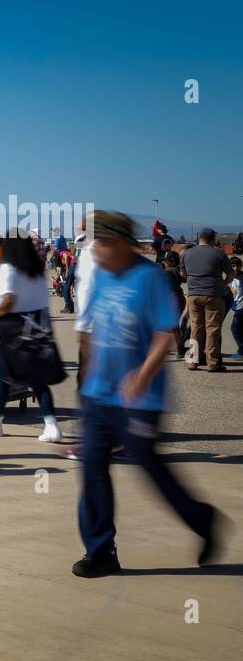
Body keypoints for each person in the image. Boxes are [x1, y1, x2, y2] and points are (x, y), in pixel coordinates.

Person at [72, 211, 223, 577]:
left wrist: (142, 375)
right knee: (92, 469)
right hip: (98, 395)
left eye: (102, 242)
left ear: (121, 242)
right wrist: (86, 379)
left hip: (140, 400)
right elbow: (89, 329)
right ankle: (101, 551)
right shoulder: (103, 275)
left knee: (149, 467)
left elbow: (165, 335)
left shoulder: (150, 277)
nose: (96, 249)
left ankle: (202, 519)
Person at [0, 230, 64, 442]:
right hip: (38, 325)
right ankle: (51, 425)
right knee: (37, 378)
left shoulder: (8, 268)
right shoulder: (36, 269)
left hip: (12, 329)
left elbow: (8, 299)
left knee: (2, 376)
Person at [180, 227, 234, 371]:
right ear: (212, 239)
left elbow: (183, 274)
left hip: (193, 295)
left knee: (195, 328)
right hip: (213, 294)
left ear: (199, 238)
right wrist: (222, 284)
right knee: (213, 329)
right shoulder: (219, 253)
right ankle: (212, 363)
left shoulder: (187, 253)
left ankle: (192, 361)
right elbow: (230, 274)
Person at [227, 257, 243, 359]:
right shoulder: (232, 278)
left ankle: (242, 351)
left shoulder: (241, 278)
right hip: (237, 307)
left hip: (241, 308)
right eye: (233, 266)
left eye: (238, 265)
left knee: (235, 329)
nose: (236, 268)